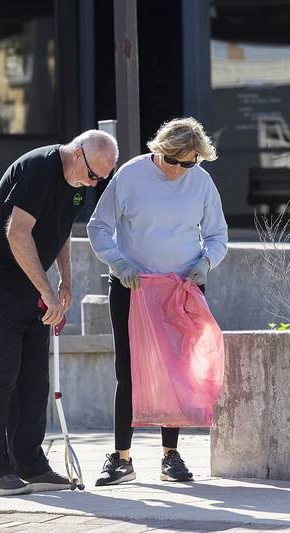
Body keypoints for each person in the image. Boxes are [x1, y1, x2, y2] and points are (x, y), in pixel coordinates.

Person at [0, 130, 118, 497]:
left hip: (32, 287)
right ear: (77, 153)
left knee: (34, 381)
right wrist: (47, 290)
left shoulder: (77, 182)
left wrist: (66, 280)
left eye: (102, 179)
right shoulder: (38, 168)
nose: (95, 183)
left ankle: (30, 465)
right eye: (94, 175)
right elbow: (18, 233)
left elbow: (61, 230)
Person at [87, 117, 228, 485]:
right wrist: (117, 262)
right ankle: (121, 458)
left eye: (189, 163)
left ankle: (170, 455)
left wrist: (205, 263)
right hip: (132, 286)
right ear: (159, 150)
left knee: (176, 369)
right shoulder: (131, 175)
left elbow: (217, 234)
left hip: (182, 286)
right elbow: (98, 226)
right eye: (174, 161)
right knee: (128, 370)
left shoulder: (201, 182)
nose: (180, 170)